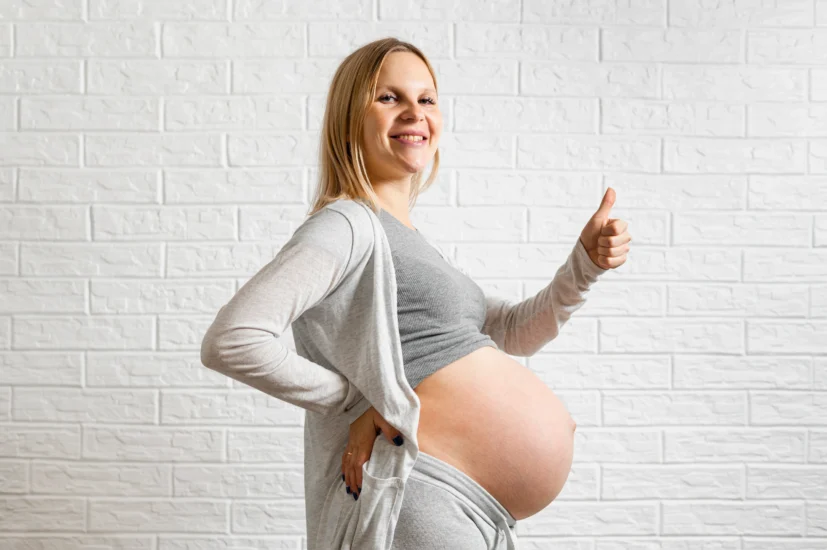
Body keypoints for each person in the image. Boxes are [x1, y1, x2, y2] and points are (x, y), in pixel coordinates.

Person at [201, 37, 631, 550]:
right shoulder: (348, 225)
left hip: (464, 502)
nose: (414, 113)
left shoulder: (409, 243)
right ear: (349, 117)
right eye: (389, 98)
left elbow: (512, 332)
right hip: (419, 488)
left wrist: (583, 265)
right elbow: (233, 339)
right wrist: (359, 404)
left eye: (426, 99)